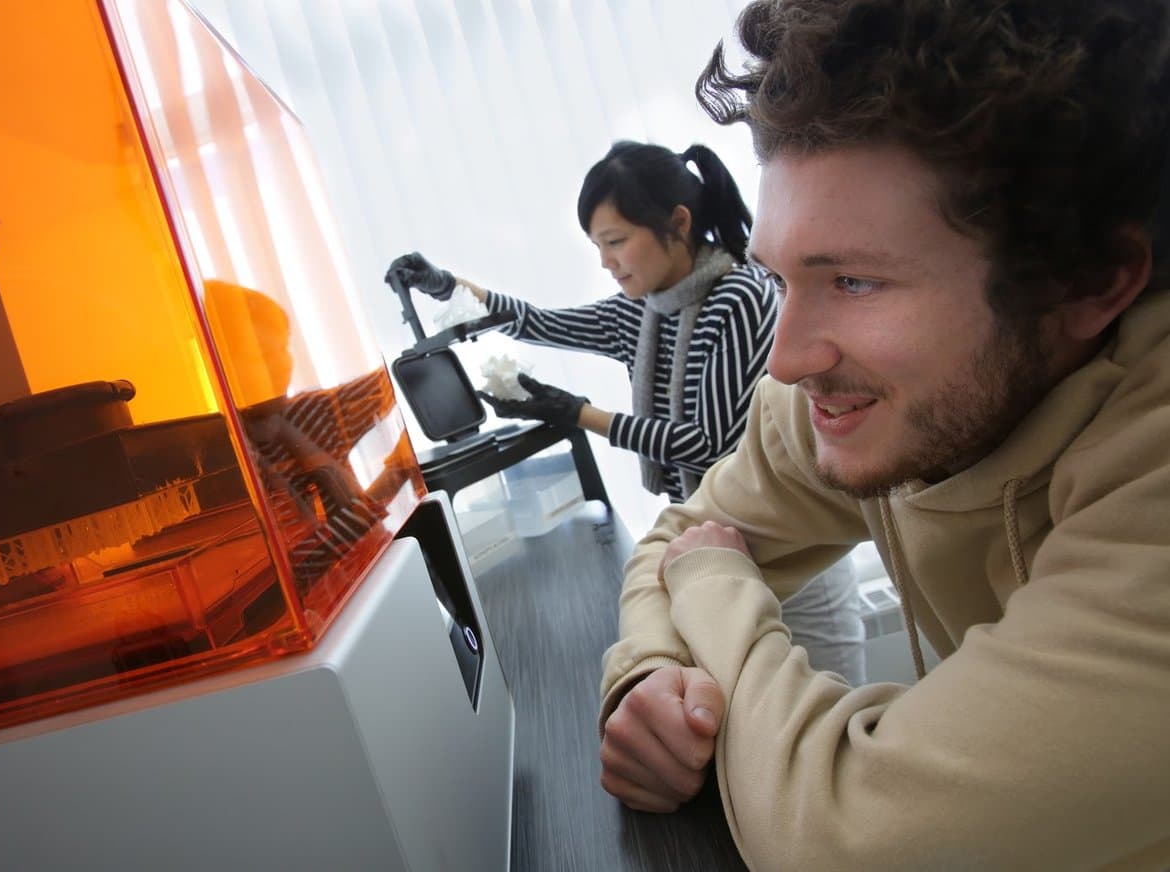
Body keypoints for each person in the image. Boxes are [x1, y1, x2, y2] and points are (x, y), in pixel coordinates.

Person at [596, 0, 1170, 868]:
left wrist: (716, 586)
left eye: (856, 281)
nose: (785, 360)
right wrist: (649, 677)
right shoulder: (861, 396)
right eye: (783, 278)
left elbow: (840, 840)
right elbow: (672, 538)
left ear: (1089, 284)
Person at [386, 141, 867, 685]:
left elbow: (708, 443)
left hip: (793, 551)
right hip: (721, 548)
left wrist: (579, 413)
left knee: (831, 735)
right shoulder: (642, 312)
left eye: (616, 242)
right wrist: (445, 285)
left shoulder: (738, 297)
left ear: (677, 224)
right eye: (597, 246)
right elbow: (540, 323)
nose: (606, 262)